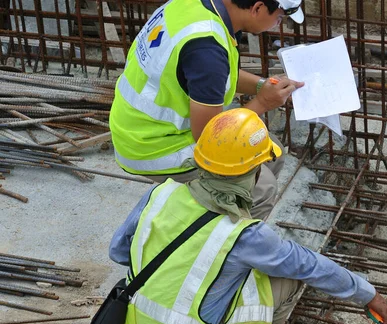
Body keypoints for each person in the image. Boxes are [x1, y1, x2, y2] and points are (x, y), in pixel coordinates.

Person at [108, 108, 387, 324]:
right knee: (290, 280)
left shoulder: (161, 194)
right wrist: (367, 293)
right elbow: (309, 266)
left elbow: (118, 251)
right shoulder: (246, 236)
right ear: (254, 172)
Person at [109, 0, 305, 220]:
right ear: (257, 8)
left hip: (141, 128)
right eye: (279, 18)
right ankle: (218, 245)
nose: (279, 25)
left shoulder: (202, 10)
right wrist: (263, 102)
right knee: (262, 189)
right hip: (152, 147)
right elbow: (210, 139)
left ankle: (212, 211)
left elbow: (216, 75)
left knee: (271, 151)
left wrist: (262, 85)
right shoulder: (207, 47)